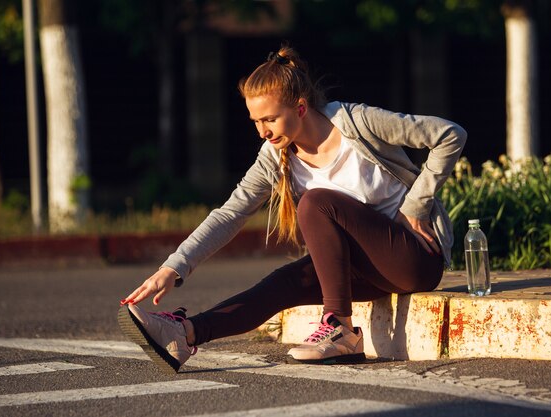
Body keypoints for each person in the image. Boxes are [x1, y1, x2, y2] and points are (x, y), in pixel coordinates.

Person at [118, 45, 467, 373]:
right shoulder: (276, 157)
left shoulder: (356, 123)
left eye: (270, 119)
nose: (263, 132)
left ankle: (340, 329)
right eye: (255, 121)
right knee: (286, 281)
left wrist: (417, 202)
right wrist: (173, 267)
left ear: (300, 108)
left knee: (317, 202)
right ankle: (186, 334)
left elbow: (449, 134)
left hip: (415, 257)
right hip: (367, 268)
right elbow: (230, 213)